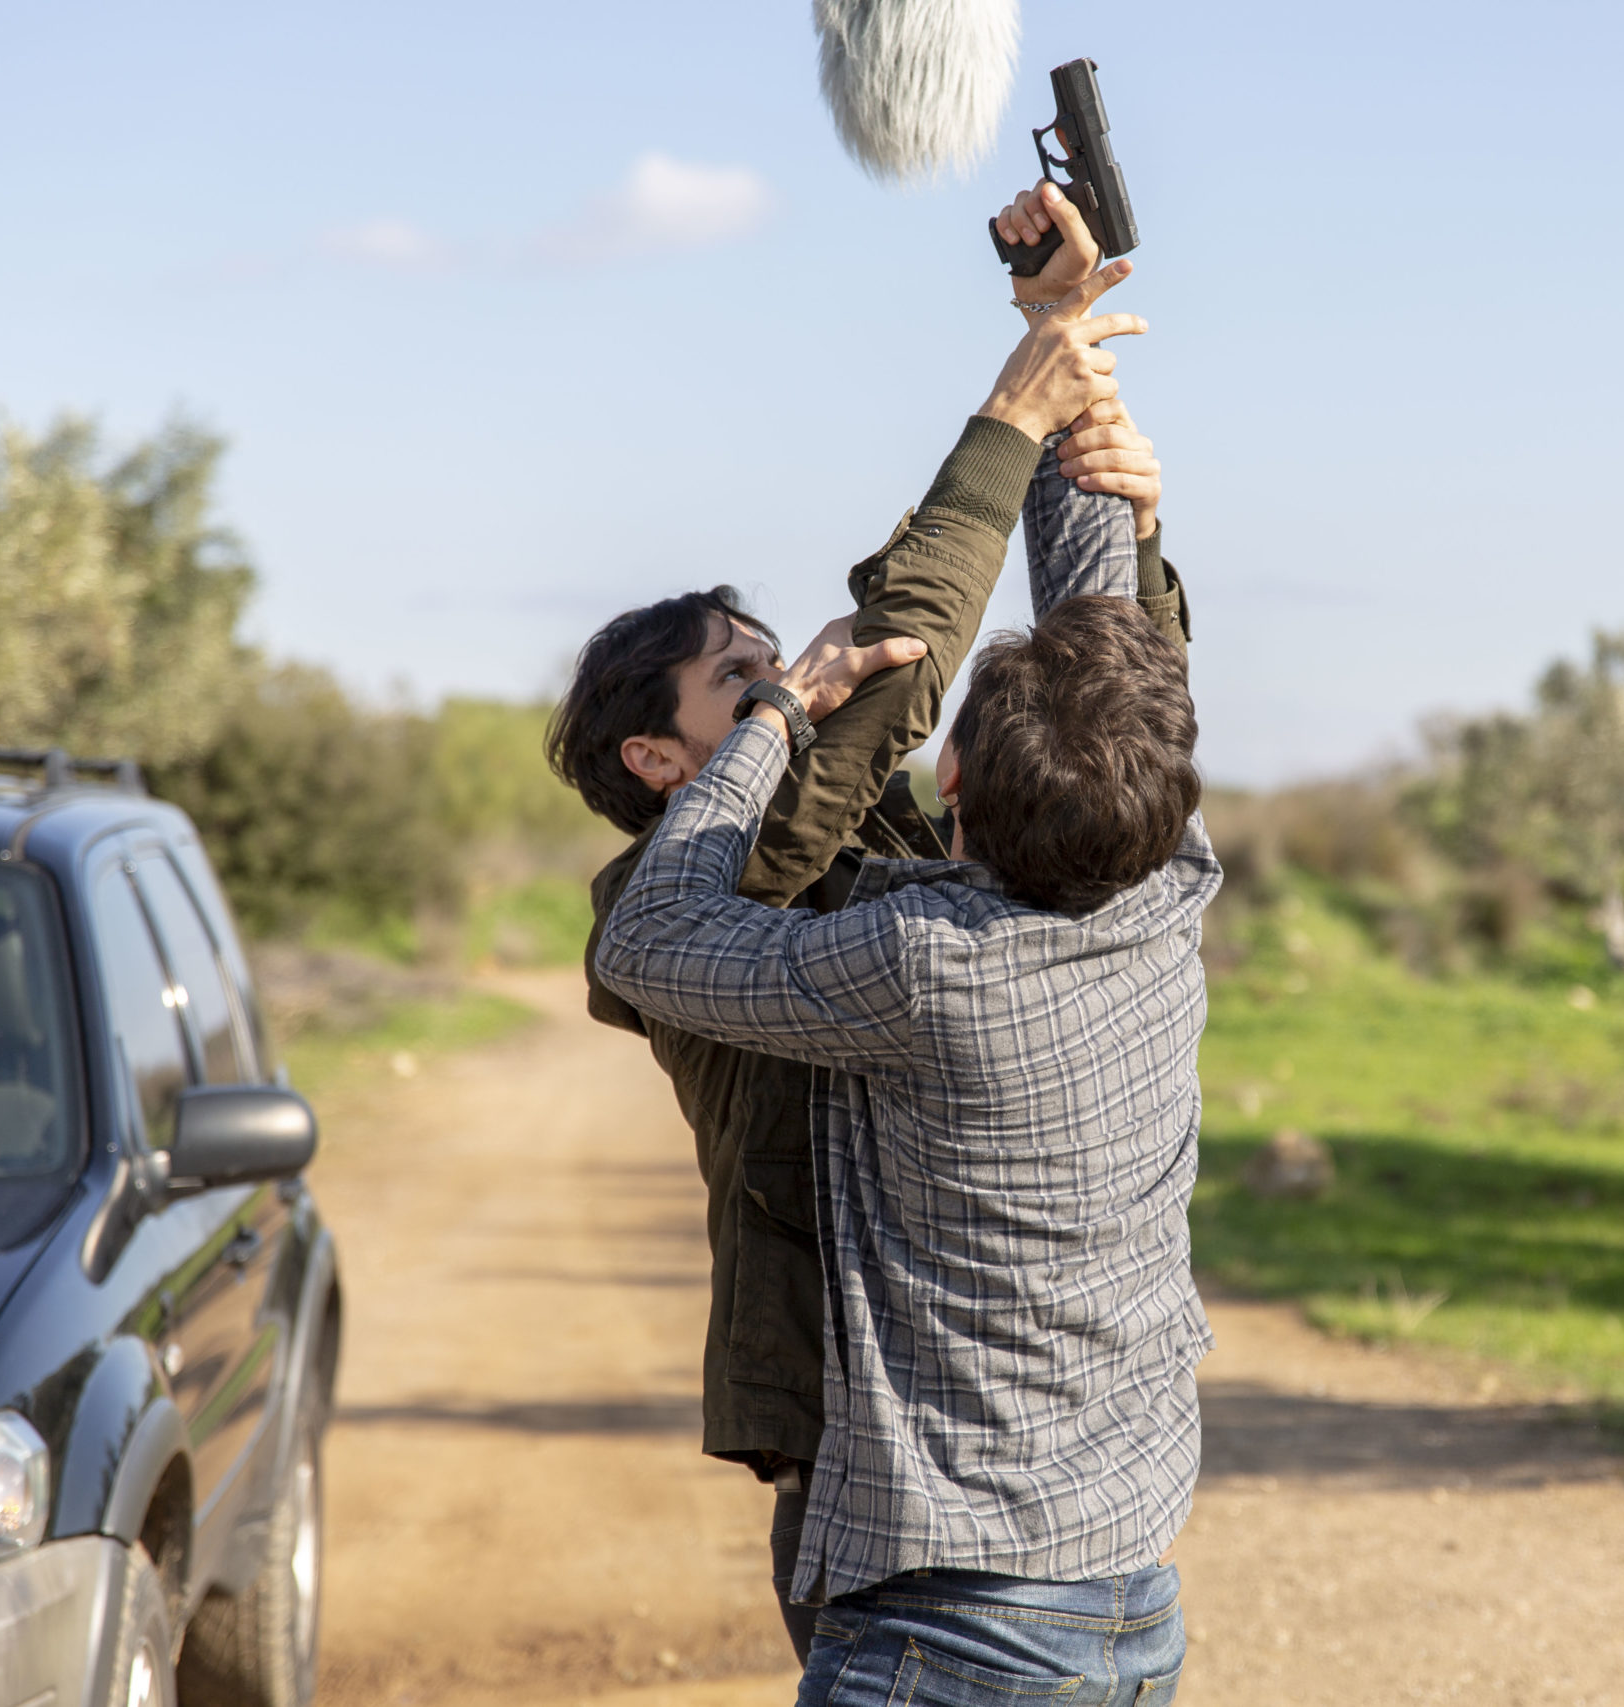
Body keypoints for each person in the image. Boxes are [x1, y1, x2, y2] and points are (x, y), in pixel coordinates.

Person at [544, 182, 1183, 1662]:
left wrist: (1077, 408)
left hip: (948, 1508)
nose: (796, 688)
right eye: (745, 684)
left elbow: (1103, 752)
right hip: (873, 1483)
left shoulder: (886, 858)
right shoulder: (656, 903)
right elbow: (879, 696)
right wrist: (1019, 411)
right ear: (657, 759)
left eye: (786, 666)